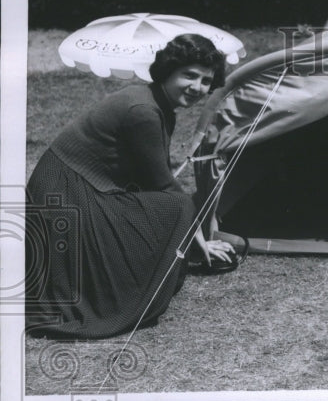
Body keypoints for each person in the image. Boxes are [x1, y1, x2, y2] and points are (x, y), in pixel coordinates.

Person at [26, 33, 236, 339]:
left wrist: (195, 240)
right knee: (177, 205)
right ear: (168, 71)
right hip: (68, 193)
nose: (197, 88)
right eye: (189, 76)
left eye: (206, 81)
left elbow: (151, 178)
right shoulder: (143, 111)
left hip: (79, 188)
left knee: (168, 207)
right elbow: (164, 186)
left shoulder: (155, 102)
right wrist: (201, 245)